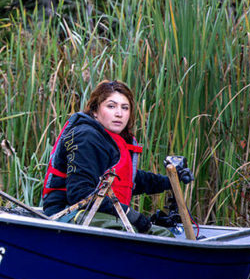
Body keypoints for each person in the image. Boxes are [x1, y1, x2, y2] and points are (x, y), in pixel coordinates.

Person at [40, 79, 193, 234]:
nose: (119, 113)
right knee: (161, 234)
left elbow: (127, 179)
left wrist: (170, 181)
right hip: (65, 214)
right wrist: (132, 215)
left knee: (161, 231)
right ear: (95, 111)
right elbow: (80, 194)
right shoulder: (86, 137)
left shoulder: (108, 138)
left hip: (89, 213)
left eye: (125, 108)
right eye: (111, 106)